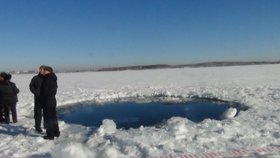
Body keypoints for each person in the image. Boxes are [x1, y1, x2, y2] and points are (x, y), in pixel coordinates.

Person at [40, 66, 60, 140]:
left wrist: (43, 95)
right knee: (53, 117)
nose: (43, 71)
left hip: (48, 100)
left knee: (48, 118)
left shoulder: (48, 79)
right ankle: (56, 132)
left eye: (44, 70)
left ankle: (50, 135)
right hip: (52, 100)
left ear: (48, 71)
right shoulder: (53, 77)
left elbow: (46, 91)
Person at [29, 65, 46, 133]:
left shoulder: (47, 78)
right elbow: (31, 86)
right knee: (38, 113)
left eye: (43, 69)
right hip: (38, 98)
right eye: (40, 69)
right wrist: (35, 92)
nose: (42, 71)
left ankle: (46, 126)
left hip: (46, 98)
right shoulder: (35, 78)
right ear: (39, 70)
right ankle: (37, 127)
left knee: (46, 113)